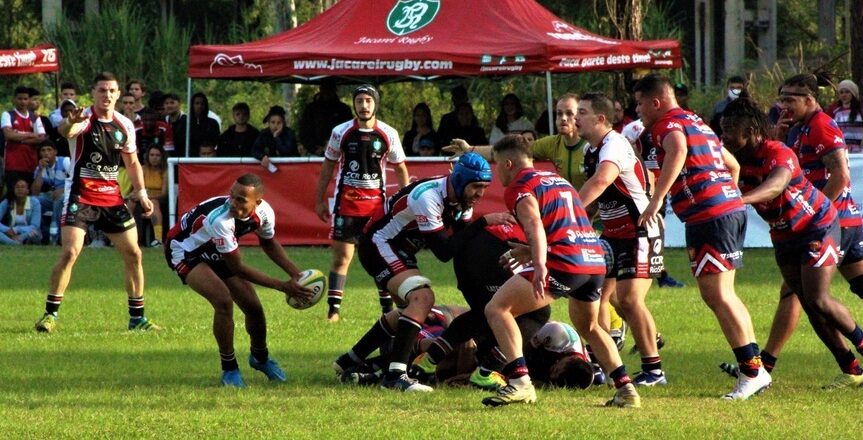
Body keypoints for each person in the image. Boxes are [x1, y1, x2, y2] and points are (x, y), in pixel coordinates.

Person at [633, 73, 770, 400]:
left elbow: (677, 150)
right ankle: (756, 368)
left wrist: (656, 199)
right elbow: (732, 164)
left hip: (710, 216)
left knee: (718, 296)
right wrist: (728, 195)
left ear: (656, 102)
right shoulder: (695, 121)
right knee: (725, 294)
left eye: (639, 103)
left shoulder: (666, 125)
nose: (637, 110)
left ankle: (751, 372)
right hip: (726, 210)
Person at [481, 134, 638, 407]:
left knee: (497, 309)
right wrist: (530, 252)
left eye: (496, 165)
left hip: (565, 263)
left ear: (508, 163)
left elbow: (533, 226)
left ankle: (520, 382)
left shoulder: (520, 186)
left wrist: (540, 264)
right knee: (589, 326)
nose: (496, 172)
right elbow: (571, 225)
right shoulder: (557, 180)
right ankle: (626, 390)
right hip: (593, 259)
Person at [723, 95, 863, 389]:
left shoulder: (777, 151)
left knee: (818, 298)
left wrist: (739, 200)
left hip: (817, 227)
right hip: (784, 236)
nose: (725, 137)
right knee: (810, 305)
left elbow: (775, 185)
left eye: (729, 131)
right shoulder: (736, 160)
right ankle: (851, 369)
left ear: (748, 132)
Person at [352, 152, 496, 392]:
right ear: (460, 181)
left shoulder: (463, 201)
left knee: (415, 311)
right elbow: (444, 251)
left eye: (484, 187)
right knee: (423, 298)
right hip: (378, 244)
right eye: (476, 186)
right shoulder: (428, 196)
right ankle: (394, 378)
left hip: (399, 249)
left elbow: (461, 247)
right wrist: (483, 223)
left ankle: (351, 360)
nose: (480, 193)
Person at [33, 72, 160, 334]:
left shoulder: (124, 125)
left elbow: (133, 162)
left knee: (134, 253)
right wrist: (71, 123)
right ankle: (50, 315)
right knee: (70, 252)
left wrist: (142, 193)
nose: (108, 95)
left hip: (112, 197)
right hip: (81, 194)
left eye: (112, 90)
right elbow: (67, 130)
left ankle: (137, 318)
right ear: (93, 93)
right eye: (102, 90)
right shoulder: (82, 119)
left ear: (118, 93)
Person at [165, 173, 314, 387]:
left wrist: (297, 275)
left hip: (215, 248)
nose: (233, 203)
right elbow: (238, 268)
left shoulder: (264, 213)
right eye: (232, 196)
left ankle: (260, 358)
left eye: (241, 200)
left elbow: (269, 244)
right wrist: (283, 286)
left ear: (257, 202)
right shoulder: (220, 220)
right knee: (223, 301)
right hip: (185, 250)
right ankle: (230, 369)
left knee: (253, 307)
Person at [576, 92, 666, 386]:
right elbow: (599, 198)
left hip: (640, 230)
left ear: (600, 119)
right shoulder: (591, 150)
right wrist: (582, 221)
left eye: (581, 112)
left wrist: (567, 212)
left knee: (628, 300)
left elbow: (602, 181)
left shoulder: (613, 144)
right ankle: (604, 366)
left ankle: (654, 371)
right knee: (600, 297)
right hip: (614, 234)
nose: (575, 118)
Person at [315, 85, 410, 322]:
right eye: (359, 101)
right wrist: (319, 200)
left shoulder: (388, 133)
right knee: (341, 259)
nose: (364, 105)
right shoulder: (341, 132)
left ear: (375, 103)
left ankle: (387, 311)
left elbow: (400, 168)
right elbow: (327, 166)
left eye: (368, 100)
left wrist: (405, 199)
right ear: (354, 104)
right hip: (346, 206)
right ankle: (333, 311)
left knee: (380, 258)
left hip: (376, 209)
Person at [620, 118, 686, 289]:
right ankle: (656, 274)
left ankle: (657, 273)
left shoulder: (670, 126)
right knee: (651, 227)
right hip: (642, 187)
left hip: (660, 185)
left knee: (655, 226)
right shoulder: (634, 129)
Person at [2, 86, 46, 198]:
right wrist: (31, 134)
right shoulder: (8, 115)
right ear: (14, 99)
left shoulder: (35, 118)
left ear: (29, 100)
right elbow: (8, 135)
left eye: (25, 99)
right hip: (13, 165)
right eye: (20, 99)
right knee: (12, 198)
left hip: (31, 165)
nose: (23, 101)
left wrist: (18, 136)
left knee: (30, 199)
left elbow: (41, 138)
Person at [298, 80, 352, 156]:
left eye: (330, 89)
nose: (327, 92)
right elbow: (304, 132)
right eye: (325, 88)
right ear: (320, 89)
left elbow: (349, 132)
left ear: (334, 90)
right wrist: (315, 149)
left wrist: (336, 147)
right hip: (315, 152)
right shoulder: (311, 109)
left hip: (339, 151)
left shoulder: (344, 110)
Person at [127, 145, 167, 247]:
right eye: (152, 155)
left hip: (158, 199)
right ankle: (128, 237)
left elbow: (164, 194)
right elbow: (135, 188)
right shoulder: (142, 168)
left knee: (154, 203)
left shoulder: (166, 171)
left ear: (162, 157)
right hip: (142, 197)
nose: (154, 158)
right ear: (147, 156)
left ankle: (158, 239)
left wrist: (146, 197)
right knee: (130, 203)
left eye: (157, 155)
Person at [31, 141, 70, 244]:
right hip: (52, 196)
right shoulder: (40, 167)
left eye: (49, 150)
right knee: (34, 201)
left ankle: (55, 234)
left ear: (55, 152)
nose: (46, 153)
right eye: (43, 150)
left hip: (68, 196)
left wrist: (63, 190)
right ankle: (41, 233)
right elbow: (35, 192)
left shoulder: (65, 161)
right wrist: (40, 170)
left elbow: (77, 180)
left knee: (59, 199)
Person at [252, 106, 300, 170]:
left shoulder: (289, 133)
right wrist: (262, 156)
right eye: (273, 122)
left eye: (279, 123)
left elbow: (287, 151)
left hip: (290, 168)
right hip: (270, 169)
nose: (275, 125)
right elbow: (255, 149)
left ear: (283, 123)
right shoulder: (264, 134)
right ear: (269, 123)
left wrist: (276, 137)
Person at [0, 179, 42, 245]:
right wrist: (7, 230)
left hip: (28, 232)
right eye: (17, 187)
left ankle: (15, 241)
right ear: (14, 190)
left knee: (34, 233)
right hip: (10, 232)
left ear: (27, 191)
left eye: (22, 187)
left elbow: (35, 225)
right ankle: (14, 243)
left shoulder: (35, 202)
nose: (20, 189)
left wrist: (16, 230)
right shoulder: (7, 201)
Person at [826, 80, 862, 153]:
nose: (844, 95)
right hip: (841, 151)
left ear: (853, 93)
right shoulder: (834, 110)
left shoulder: (860, 109)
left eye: (847, 92)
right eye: (841, 92)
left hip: (860, 152)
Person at [188, 92, 221, 158]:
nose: (199, 106)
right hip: (190, 158)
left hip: (207, 156)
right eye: (197, 103)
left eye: (202, 104)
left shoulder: (213, 123)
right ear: (192, 105)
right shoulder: (186, 123)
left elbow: (216, 141)